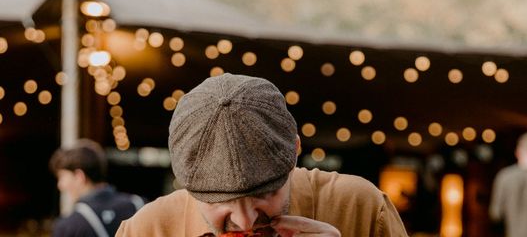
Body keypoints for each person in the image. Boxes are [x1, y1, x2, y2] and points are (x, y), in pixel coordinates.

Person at [116, 73, 408, 236]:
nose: (244, 221)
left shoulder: (363, 209)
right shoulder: (146, 230)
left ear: (294, 151)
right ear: (185, 184)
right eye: (220, 200)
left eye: (265, 193)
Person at [50, 139, 144, 237]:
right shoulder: (139, 205)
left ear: (79, 176)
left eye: (62, 177)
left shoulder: (69, 225)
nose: (60, 185)